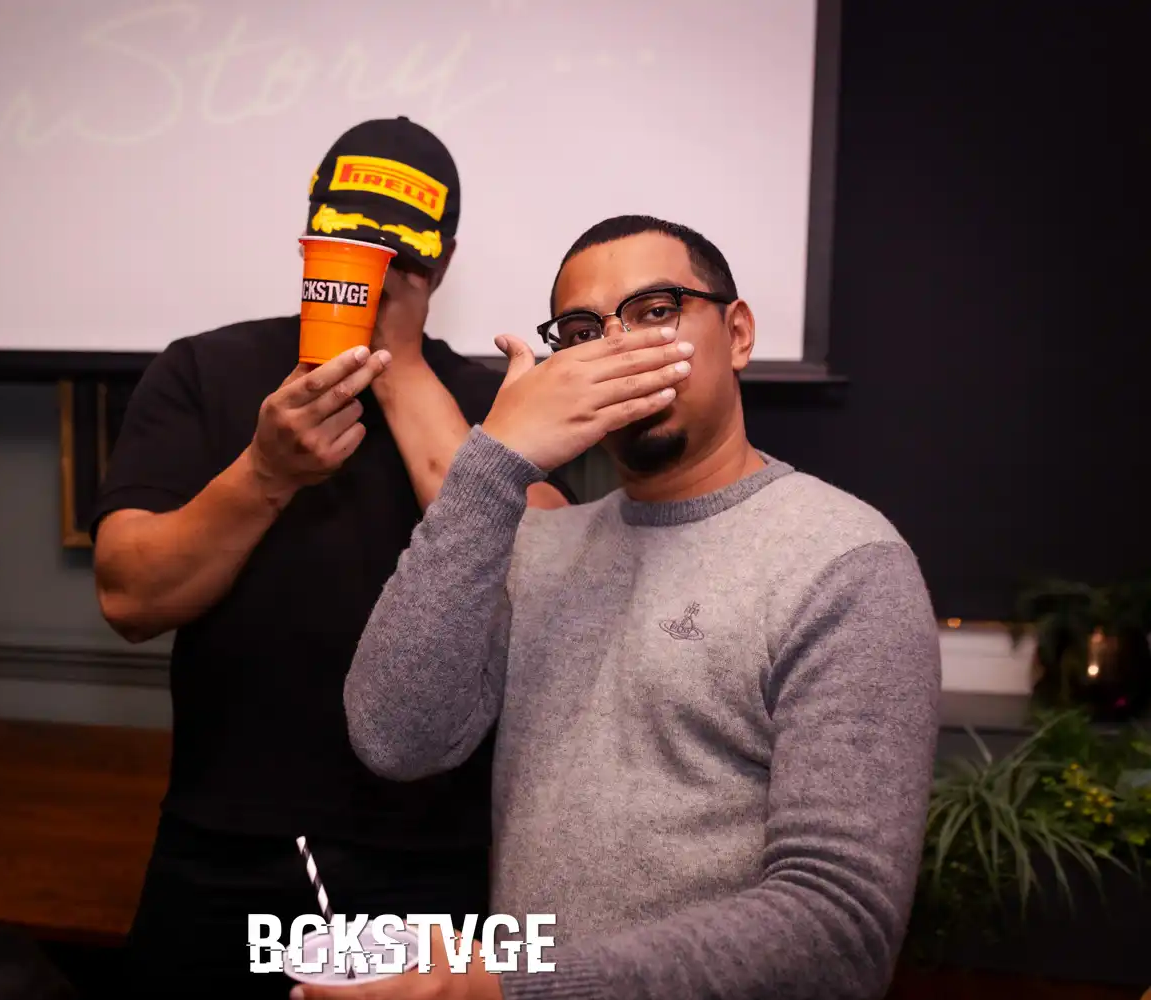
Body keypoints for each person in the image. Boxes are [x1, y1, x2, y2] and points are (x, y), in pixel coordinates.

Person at [316, 215, 943, 999]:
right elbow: (395, 738)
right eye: (584, 333)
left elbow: (840, 930)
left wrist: (511, 988)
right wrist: (494, 464)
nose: (619, 348)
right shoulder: (541, 547)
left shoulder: (843, 561)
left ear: (738, 334)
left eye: (655, 311)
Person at [90, 117, 573, 995]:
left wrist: (398, 366)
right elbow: (129, 596)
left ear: (443, 267)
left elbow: (545, 581)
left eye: (404, 263)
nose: (376, 277)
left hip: (436, 850)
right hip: (223, 836)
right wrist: (265, 471)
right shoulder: (204, 370)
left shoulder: (493, 398)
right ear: (308, 241)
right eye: (353, 246)